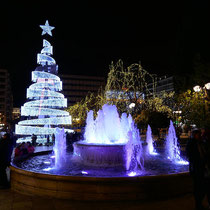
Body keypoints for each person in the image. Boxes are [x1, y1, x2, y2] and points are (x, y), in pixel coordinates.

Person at [186, 129, 207, 210]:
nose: (200, 136)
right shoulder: (191, 143)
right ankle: (198, 204)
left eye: (200, 134)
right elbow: (189, 155)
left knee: (203, 187)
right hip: (196, 168)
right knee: (198, 187)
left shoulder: (201, 142)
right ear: (194, 135)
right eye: (198, 134)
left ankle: (199, 203)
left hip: (202, 168)